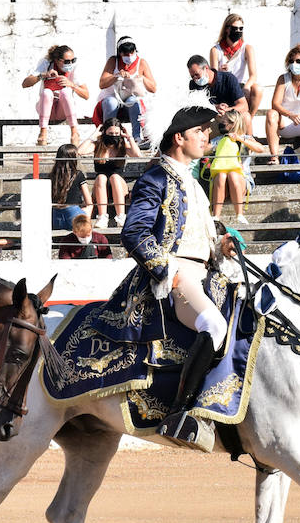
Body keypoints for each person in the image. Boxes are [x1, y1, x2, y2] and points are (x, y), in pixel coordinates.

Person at [90, 103, 237, 446]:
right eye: (199, 131)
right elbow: (135, 232)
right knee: (213, 326)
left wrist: (221, 245)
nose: (206, 137)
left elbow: (198, 236)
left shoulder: (195, 183)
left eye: (206, 131)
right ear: (178, 137)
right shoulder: (156, 177)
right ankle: (179, 416)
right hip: (175, 274)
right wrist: (163, 269)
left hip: (204, 272)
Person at [77, 117, 142, 228]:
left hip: (119, 186)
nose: (113, 135)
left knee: (114, 177)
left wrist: (129, 137)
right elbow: (79, 151)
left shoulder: (122, 146)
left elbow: (137, 154)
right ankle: (102, 217)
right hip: (101, 186)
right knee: (102, 177)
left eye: (116, 133)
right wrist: (93, 135)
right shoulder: (98, 145)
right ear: (105, 132)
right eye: (110, 133)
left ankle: (121, 216)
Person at [95, 36, 157, 149]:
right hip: (114, 98)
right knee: (110, 102)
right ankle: (108, 137)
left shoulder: (141, 63)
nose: (129, 57)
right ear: (120, 53)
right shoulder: (113, 61)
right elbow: (102, 84)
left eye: (131, 53)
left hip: (131, 100)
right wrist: (116, 76)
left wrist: (142, 78)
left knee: (134, 101)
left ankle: (136, 138)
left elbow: (153, 88)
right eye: (125, 54)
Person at [208, 109, 267, 224]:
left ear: (232, 124)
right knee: (221, 175)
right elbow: (204, 150)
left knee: (233, 174)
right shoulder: (220, 139)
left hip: (241, 179)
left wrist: (239, 138)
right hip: (222, 180)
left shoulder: (246, 138)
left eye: (224, 122)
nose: (221, 124)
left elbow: (261, 148)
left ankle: (239, 214)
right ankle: (216, 216)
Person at [23, 44, 88, 146]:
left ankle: (74, 132)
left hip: (64, 110)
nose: (70, 63)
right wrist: (43, 75)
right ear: (57, 61)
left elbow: (86, 95)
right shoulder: (46, 64)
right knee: (47, 92)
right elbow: (25, 84)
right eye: (67, 62)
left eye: (73, 60)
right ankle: (43, 133)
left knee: (65, 92)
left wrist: (71, 85)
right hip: (46, 108)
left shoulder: (74, 69)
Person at [208, 13, 263, 116]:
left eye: (240, 28)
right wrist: (221, 73)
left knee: (257, 89)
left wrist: (246, 87)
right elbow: (213, 76)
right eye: (235, 28)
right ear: (227, 29)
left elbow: (253, 75)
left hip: (240, 86)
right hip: (224, 87)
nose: (238, 31)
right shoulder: (216, 50)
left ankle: (249, 118)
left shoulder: (247, 48)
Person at [49, 143, 91, 230]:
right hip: (73, 212)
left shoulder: (51, 176)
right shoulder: (78, 174)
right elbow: (88, 201)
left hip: (55, 215)